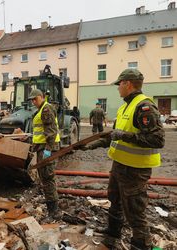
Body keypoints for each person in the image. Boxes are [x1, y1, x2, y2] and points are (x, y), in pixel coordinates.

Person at [82, 69, 165, 250]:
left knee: (135, 212)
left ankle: (141, 245)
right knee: (115, 201)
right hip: (120, 165)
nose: (118, 88)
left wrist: (125, 136)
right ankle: (112, 235)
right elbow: (114, 136)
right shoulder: (124, 106)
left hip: (135, 170)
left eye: (119, 84)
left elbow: (158, 140)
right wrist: (92, 145)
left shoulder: (144, 107)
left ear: (128, 83)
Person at [28, 89, 62, 220]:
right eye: (32, 100)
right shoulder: (41, 109)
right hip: (42, 148)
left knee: (48, 179)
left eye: (35, 99)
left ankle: (54, 212)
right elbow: (40, 131)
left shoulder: (46, 109)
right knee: (45, 178)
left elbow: (51, 132)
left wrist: (48, 150)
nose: (33, 102)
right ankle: (51, 208)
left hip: (47, 149)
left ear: (41, 97)